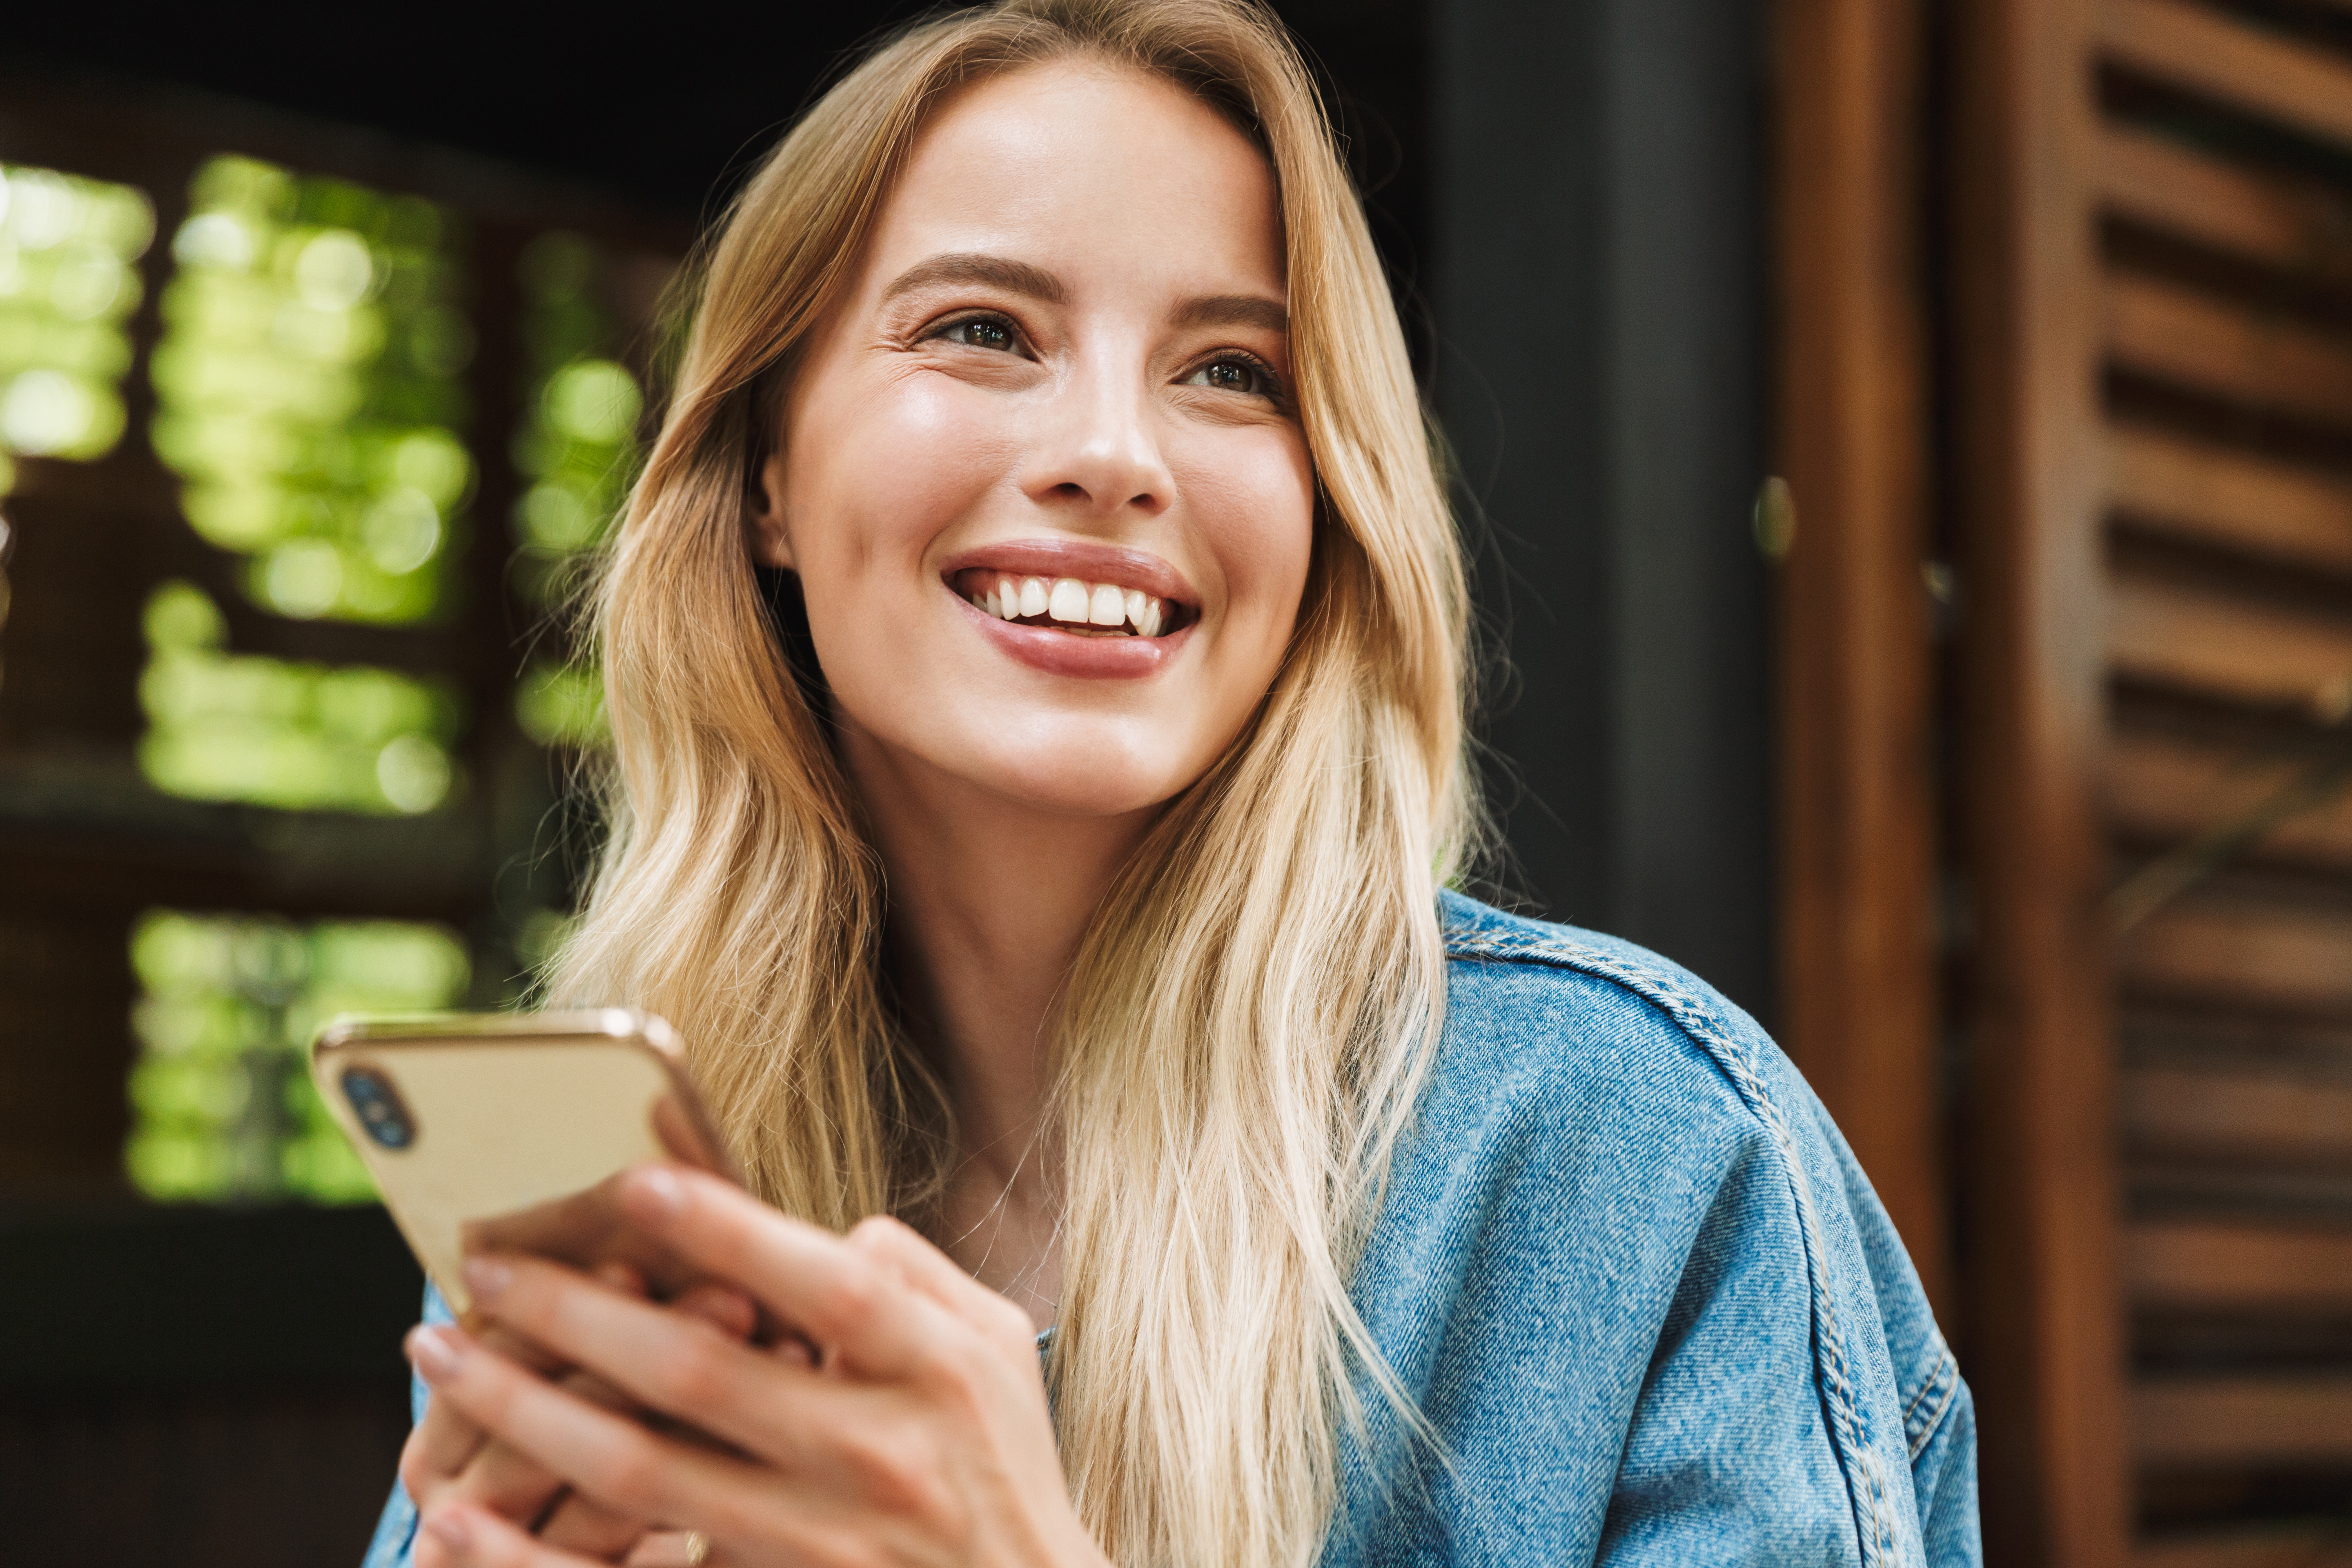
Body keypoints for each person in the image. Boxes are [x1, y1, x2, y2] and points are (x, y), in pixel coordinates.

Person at [367, 1, 1981, 1564]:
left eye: (1233, 373)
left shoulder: (1643, 1160)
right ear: (768, 476)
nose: (1115, 454)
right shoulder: (611, 1223)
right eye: (985, 332)